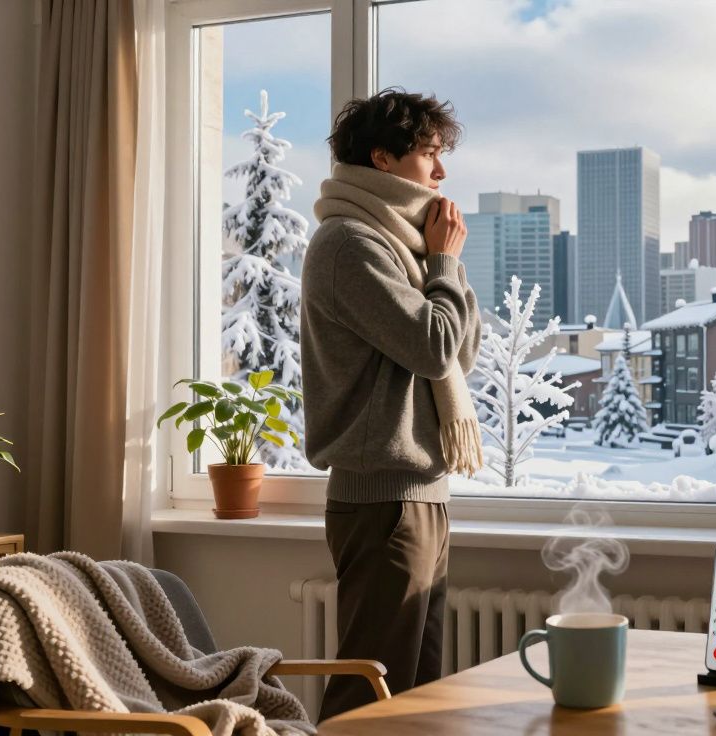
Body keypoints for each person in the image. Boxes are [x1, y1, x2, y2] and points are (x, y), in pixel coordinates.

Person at [301, 88, 483, 721]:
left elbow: (459, 352)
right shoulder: (351, 245)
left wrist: (441, 264)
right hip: (384, 499)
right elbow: (435, 347)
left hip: (419, 493)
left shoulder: (402, 245)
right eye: (429, 153)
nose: (441, 171)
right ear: (382, 157)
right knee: (372, 693)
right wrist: (444, 262)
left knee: (416, 695)